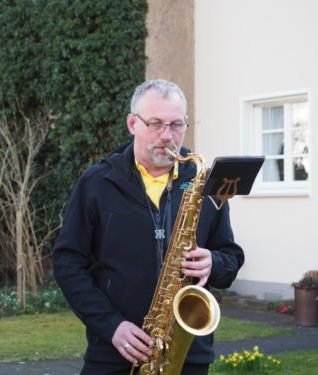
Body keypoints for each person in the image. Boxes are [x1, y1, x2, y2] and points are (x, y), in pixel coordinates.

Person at [52, 79, 244, 375]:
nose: (167, 136)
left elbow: (230, 256)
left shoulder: (206, 182)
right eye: (155, 124)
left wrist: (213, 263)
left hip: (188, 355)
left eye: (176, 125)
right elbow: (67, 262)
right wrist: (111, 325)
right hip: (115, 353)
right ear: (132, 123)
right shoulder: (96, 182)